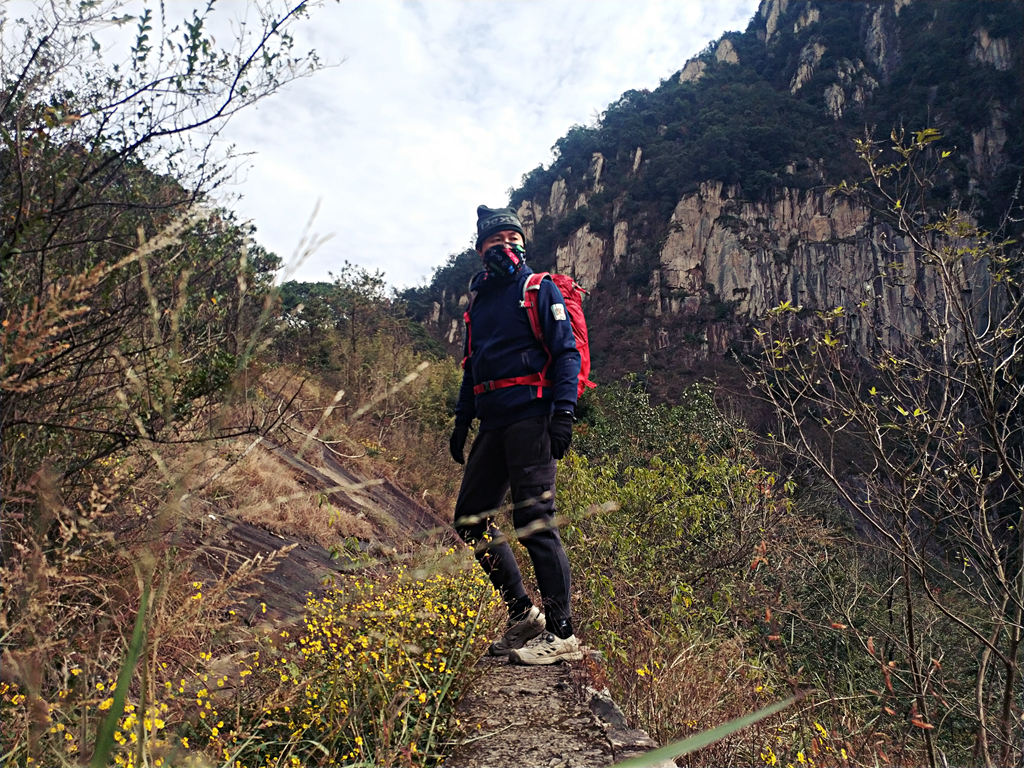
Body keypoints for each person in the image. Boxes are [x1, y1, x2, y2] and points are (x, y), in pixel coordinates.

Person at [449, 204, 583, 665]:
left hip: (533, 417)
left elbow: (566, 353)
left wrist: (565, 411)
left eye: (511, 239)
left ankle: (562, 633)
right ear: (480, 248)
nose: (503, 247)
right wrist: (462, 418)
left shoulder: (538, 289)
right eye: (494, 241)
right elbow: (473, 366)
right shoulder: (480, 301)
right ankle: (524, 614)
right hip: (494, 422)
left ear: (522, 244)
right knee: (469, 518)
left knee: (534, 520)